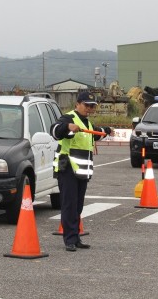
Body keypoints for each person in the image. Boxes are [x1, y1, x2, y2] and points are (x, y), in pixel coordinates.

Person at [50, 92, 112, 252]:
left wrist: (107, 130)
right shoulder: (69, 118)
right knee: (69, 205)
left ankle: (75, 237)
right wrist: (67, 127)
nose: (89, 109)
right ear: (78, 104)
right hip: (68, 167)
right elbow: (55, 130)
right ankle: (69, 239)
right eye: (87, 105)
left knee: (77, 206)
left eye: (92, 106)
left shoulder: (87, 124)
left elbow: (96, 133)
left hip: (82, 170)